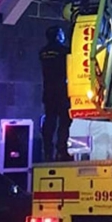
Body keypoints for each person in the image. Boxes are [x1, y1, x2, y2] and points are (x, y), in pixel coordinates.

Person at [39, 26, 73, 162]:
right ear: (58, 36)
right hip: (61, 91)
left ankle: (48, 152)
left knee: (50, 121)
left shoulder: (42, 52)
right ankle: (61, 151)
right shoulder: (64, 51)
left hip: (48, 91)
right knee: (64, 122)